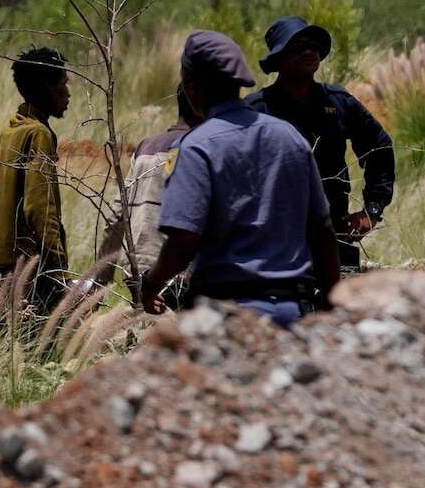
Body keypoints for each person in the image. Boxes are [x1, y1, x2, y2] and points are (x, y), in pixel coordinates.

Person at [141, 31, 340, 327]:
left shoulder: (195, 147)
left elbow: (183, 240)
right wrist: (328, 301)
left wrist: (151, 282)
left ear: (192, 87)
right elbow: (322, 229)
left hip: (225, 318)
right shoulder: (290, 138)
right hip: (291, 313)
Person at [246, 16, 394, 271]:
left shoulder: (339, 102)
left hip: (332, 235)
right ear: (279, 58)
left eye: (313, 45)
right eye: (297, 45)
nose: (308, 51)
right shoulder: (256, 110)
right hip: (270, 243)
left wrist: (372, 208)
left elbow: (379, 147)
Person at [85, 86, 203, 306]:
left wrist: (101, 278)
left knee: (143, 329)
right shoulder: (200, 147)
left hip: (138, 264)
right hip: (177, 268)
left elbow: (118, 214)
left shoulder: (146, 147)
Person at [0, 47, 72, 314]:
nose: (68, 92)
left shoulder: (13, 129)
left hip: (9, 265)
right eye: (63, 84)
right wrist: (58, 268)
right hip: (34, 268)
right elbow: (40, 207)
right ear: (47, 87)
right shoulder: (38, 134)